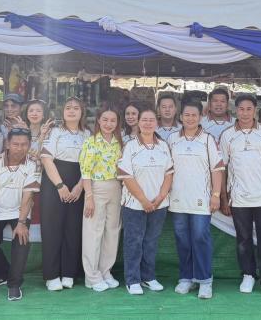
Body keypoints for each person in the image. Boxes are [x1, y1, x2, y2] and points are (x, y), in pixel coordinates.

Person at [219, 94, 261, 299]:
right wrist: (223, 197)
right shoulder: (227, 135)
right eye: (241, 109)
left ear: (255, 110)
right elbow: (223, 168)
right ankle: (248, 275)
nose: (245, 113)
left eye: (249, 109)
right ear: (235, 111)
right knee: (243, 239)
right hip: (239, 197)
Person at [168, 101, 224, 299]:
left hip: (201, 199)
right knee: (182, 239)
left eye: (194, 115)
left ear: (201, 117)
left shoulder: (208, 140)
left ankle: (205, 280)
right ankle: (186, 278)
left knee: (200, 237)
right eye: (186, 115)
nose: (190, 118)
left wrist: (216, 195)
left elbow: (217, 169)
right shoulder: (172, 139)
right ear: (180, 117)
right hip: (177, 199)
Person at [118, 107, 174, 295]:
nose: (148, 123)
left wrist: (159, 198)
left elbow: (169, 174)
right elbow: (126, 176)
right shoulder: (130, 146)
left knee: (151, 242)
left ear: (156, 123)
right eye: (144, 120)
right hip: (134, 204)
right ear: (138, 123)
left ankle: (148, 277)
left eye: (151, 120)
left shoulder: (163, 146)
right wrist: (143, 200)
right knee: (133, 241)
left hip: (159, 205)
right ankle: (132, 279)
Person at [0, 128, 39, 302]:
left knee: (21, 242)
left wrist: (21, 222)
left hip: (19, 210)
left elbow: (28, 196)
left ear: (29, 145)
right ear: (7, 144)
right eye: (15, 144)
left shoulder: (33, 163)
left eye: (24, 144)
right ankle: (2, 273)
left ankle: (14, 284)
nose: (20, 148)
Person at [39, 97, 91, 291]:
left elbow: (89, 163)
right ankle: (51, 276)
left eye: (76, 108)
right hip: (54, 183)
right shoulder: (55, 132)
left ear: (82, 112)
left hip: (79, 182)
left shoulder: (88, 134)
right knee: (52, 229)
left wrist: (80, 186)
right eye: (68, 107)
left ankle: (69, 273)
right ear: (62, 111)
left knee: (73, 229)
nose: (72, 111)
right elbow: (46, 159)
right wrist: (60, 186)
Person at [79, 109, 123, 292]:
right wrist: (89, 196)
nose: (108, 123)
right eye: (105, 119)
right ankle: (92, 276)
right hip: (96, 188)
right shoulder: (91, 142)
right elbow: (85, 172)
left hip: (116, 187)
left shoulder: (119, 142)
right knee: (93, 232)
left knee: (112, 231)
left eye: (113, 120)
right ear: (98, 120)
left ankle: (105, 271)